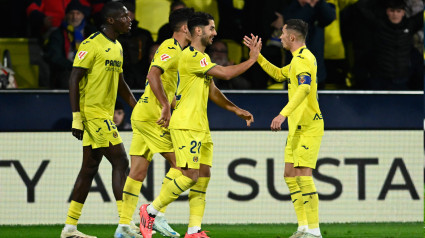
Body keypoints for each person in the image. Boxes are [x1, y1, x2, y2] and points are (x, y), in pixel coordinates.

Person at [139, 11, 261, 238]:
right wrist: (252, 59)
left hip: (200, 126)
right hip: (186, 124)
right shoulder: (192, 56)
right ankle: (151, 211)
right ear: (198, 31)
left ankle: (193, 230)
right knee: (189, 175)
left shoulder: (201, 59)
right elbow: (225, 73)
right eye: (211, 28)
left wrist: (235, 109)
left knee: (203, 175)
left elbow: (212, 89)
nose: (215, 33)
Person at [114, 7, 194, 238]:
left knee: (137, 172)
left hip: (143, 114)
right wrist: (166, 105)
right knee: (183, 167)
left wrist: (173, 100)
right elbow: (153, 74)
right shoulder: (170, 46)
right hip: (153, 116)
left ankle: (123, 227)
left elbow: (164, 81)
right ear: (185, 29)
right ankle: (156, 214)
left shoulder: (179, 50)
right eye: (194, 27)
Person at [61, 2, 137, 238]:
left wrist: (136, 106)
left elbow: (120, 81)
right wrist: (76, 117)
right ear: (112, 20)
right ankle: (125, 224)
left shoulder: (117, 47)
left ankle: (70, 228)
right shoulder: (91, 44)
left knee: (89, 169)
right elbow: (74, 79)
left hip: (103, 114)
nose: (130, 19)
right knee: (121, 162)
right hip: (93, 114)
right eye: (125, 16)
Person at [244, 19, 324, 238]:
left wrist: (282, 114)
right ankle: (303, 227)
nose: (279, 37)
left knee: (304, 175)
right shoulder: (299, 59)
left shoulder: (303, 59)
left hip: (308, 126)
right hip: (297, 126)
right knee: (290, 175)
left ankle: (315, 232)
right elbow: (280, 74)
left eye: (282, 34)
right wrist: (257, 55)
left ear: (292, 37)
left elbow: (305, 88)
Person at [45, 0, 96, 89]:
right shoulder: (58, 34)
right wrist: (75, 67)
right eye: (71, 13)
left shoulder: (91, 33)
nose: (74, 17)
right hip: (67, 71)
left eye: (78, 13)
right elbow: (55, 58)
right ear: (66, 15)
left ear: (83, 15)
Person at [118, 1, 154, 89]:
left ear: (133, 15)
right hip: (118, 79)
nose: (124, 18)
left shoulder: (144, 35)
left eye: (127, 14)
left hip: (142, 80)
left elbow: (149, 59)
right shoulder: (113, 35)